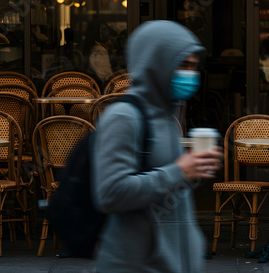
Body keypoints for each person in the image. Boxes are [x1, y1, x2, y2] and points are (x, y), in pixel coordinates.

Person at [91, 20, 223, 272]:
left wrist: (193, 171)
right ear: (157, 64)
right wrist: (179, 171)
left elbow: (165, 185)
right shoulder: (124, 117)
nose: (190, 74)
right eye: (183, 65)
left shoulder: (167, 118)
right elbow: (110, 193)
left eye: (194, 66)